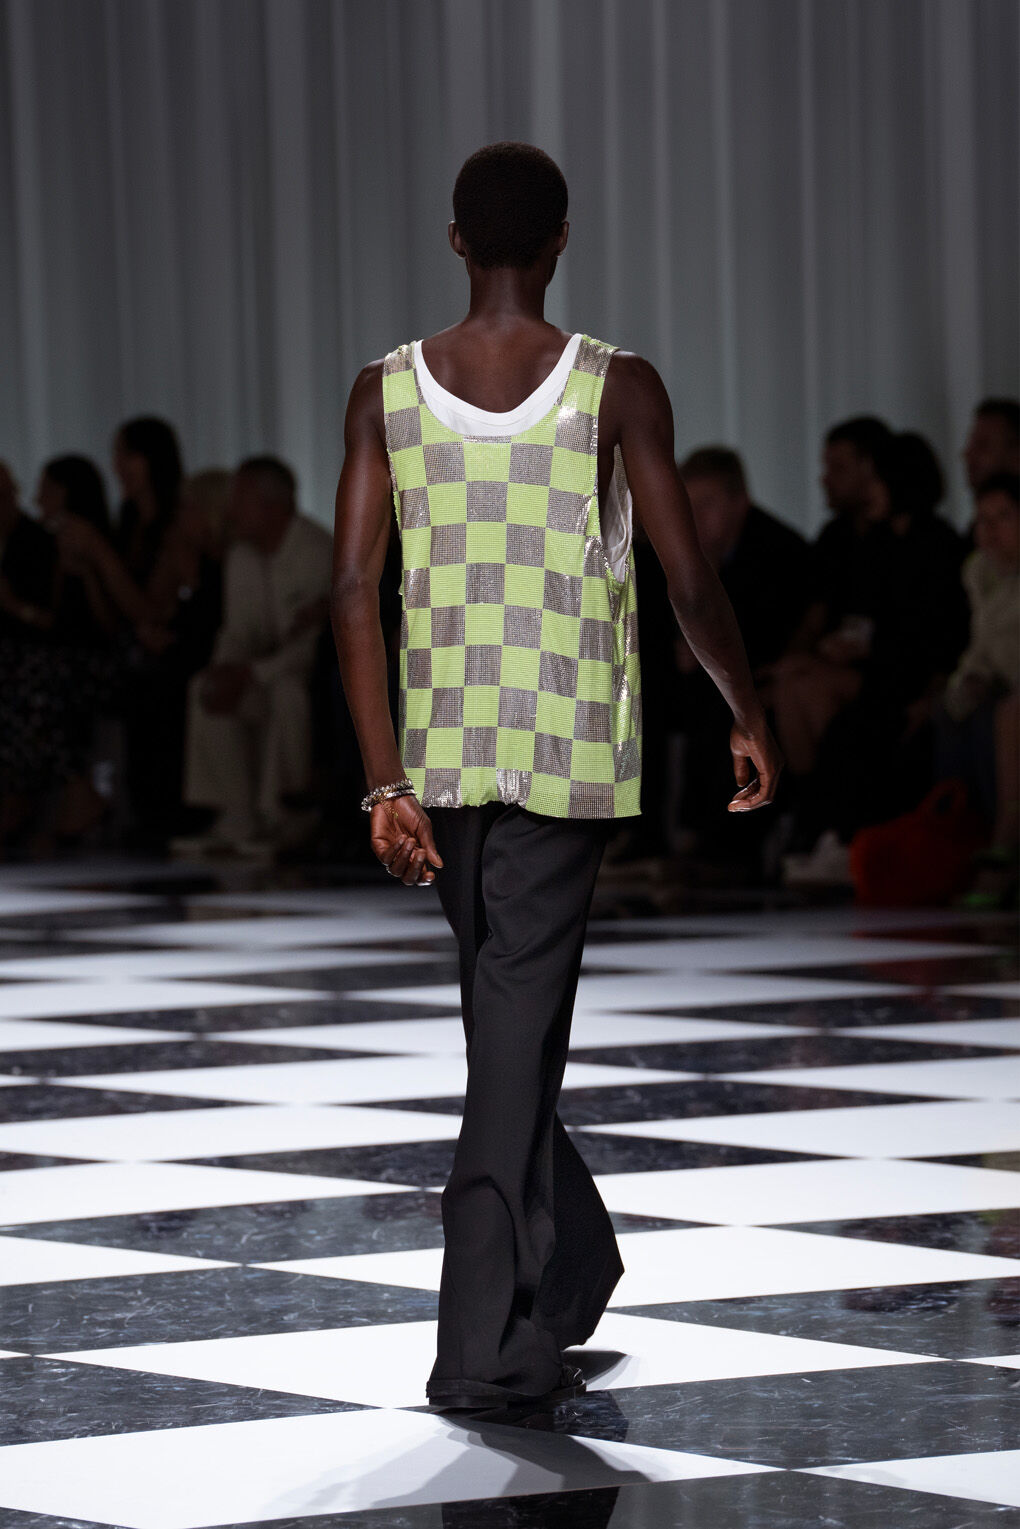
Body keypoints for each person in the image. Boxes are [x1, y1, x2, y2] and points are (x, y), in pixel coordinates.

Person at [330, 140, 781, 1413]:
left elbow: (352, 587)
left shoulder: (383, 390)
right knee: (512, 1030)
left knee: (505, 1026)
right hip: (566, 744)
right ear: (564, 238)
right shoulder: (616, 384)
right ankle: (492, 1341)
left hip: (439, 752)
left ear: (455, 240)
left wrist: (384, 782)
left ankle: (558, 1277)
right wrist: (748, 707)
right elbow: (686, 577)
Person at [173, 455, 332, 858]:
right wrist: (224, 668)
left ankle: (285, 814)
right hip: (263, 671)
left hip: (309, 678)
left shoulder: (316, 551)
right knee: (205, 689)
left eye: (240, 500)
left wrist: (249, 673)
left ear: (274, 505)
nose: (231, 510)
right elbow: (239, 630)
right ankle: (236, 816)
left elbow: (313, 644)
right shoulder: (242, 556)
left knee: (288, 694)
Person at [670, 446, 812, 865]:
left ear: (739, 502)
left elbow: (775, 635)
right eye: (689, 505)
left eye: (708, 504)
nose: (696, 516)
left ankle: (731, 846)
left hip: (767, 677)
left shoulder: (778, 552)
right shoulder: (692, 556)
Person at [0, 456, 124, 850]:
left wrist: (87, 570)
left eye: (47, 489)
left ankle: (32, 796)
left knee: (28, 677)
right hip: (56, 657)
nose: (35, 498)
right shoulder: (39, 541)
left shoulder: (61, 543)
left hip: (88, 661)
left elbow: (99, 626)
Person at [936, 471, 1019, 906]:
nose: (989, 529)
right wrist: (971, 678)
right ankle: (958, 846)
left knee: (1008, 716)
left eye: (1003, 516)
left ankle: (1004, 848)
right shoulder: (981, 571)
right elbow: (983, 644)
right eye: (982, 518)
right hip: (1002, 686)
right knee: (954, 710)